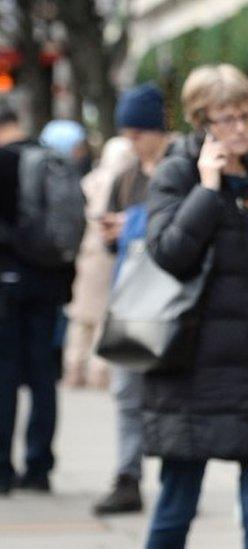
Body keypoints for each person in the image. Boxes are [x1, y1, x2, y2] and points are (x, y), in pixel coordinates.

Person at [142, 64, 248, 548]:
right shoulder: (177, 172)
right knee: (178, 502)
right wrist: (207, 191)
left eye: (245, 116)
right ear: (202, 122)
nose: (239, 128)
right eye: (225, 119)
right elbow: (169, 254)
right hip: (193, 367)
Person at [91, 84, 177, 516]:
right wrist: (114, 231)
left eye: (138, 132)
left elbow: (181, 223)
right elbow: (111, 240)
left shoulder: (179, 165)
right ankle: (128, 476)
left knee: (171, 395)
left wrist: (130, 224)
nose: (131, 141)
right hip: (133, 301)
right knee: (127, 391)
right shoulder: (126, 176)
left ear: (156, 130)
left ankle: (175, 479)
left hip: (175, 299)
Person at [1, 111, 86, 496]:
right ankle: (40, 467)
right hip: (49, 285)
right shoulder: (52, 158)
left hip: (9, 285)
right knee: (42, 378)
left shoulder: (5, 161)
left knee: (4, 377)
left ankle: (2, 468)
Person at [62, 137, 136, 389]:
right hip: (108, 255)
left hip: (87, 252)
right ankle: (98, 371)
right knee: (103, 316)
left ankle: (73, 368)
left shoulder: (91, 179)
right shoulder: (123, 181)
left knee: (80, 317)